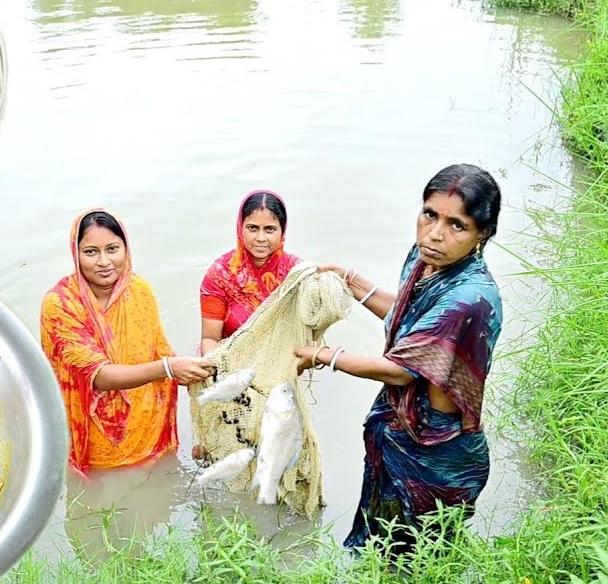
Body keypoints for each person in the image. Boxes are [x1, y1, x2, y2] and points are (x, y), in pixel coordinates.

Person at [294, 164, 504, 556]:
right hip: (399, 433)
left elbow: (404, 371)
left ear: (482, 235)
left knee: (419, 561)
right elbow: (409, 317)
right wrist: (353, 281)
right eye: (430, 215)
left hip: (434, 453)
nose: (435, 233)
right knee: (381, 550)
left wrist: (325, 356)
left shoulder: (470, 299)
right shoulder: (428, 260)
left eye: (457, 225)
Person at [41, 208, 213, 474]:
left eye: (112, 248)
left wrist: (195, 372)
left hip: (150, 431)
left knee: (158, 500)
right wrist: (169, 368)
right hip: (97, 444)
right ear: (76, 255)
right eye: (90, 252)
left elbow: (159, 351)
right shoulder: (60, 305)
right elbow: (97, 376)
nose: (103, 261)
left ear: (126, 249)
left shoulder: (139, 291)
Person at [199, 190, 302, 355]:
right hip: (231, 358)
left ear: (283, 231)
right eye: (253, 228)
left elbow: (305, 334)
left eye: (270, 229)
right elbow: (210, 339)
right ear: (241, 228)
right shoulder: (220, 275)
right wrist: (216, 371)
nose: (261, 238)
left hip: (282, 360)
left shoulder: (297, 274)